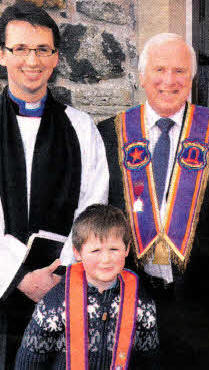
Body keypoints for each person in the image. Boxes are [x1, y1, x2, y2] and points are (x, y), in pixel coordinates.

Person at [98, 33, 209, 368]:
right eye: (160, 70)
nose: (169, 81)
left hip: (202, 302)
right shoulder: (110, 134)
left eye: (180, 71)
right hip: (129, 296)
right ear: (142, 76)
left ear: (192, 78)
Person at [0, 1, 108, 367]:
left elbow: (92, 210)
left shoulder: (80, 128)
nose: (33, 61)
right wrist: (17, 277)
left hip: (62, 290)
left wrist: (60, 273)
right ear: (2, 55)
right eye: (21, 49)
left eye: (43, 49)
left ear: (56, 57)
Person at [15, 204, 159, 369]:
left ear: (126, 249)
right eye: (96, 250)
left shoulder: (141, 304)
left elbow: (149, 360)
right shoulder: (55, 304)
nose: (106, 259)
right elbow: (29, 361)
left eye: (114, 249)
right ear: (77, 252)